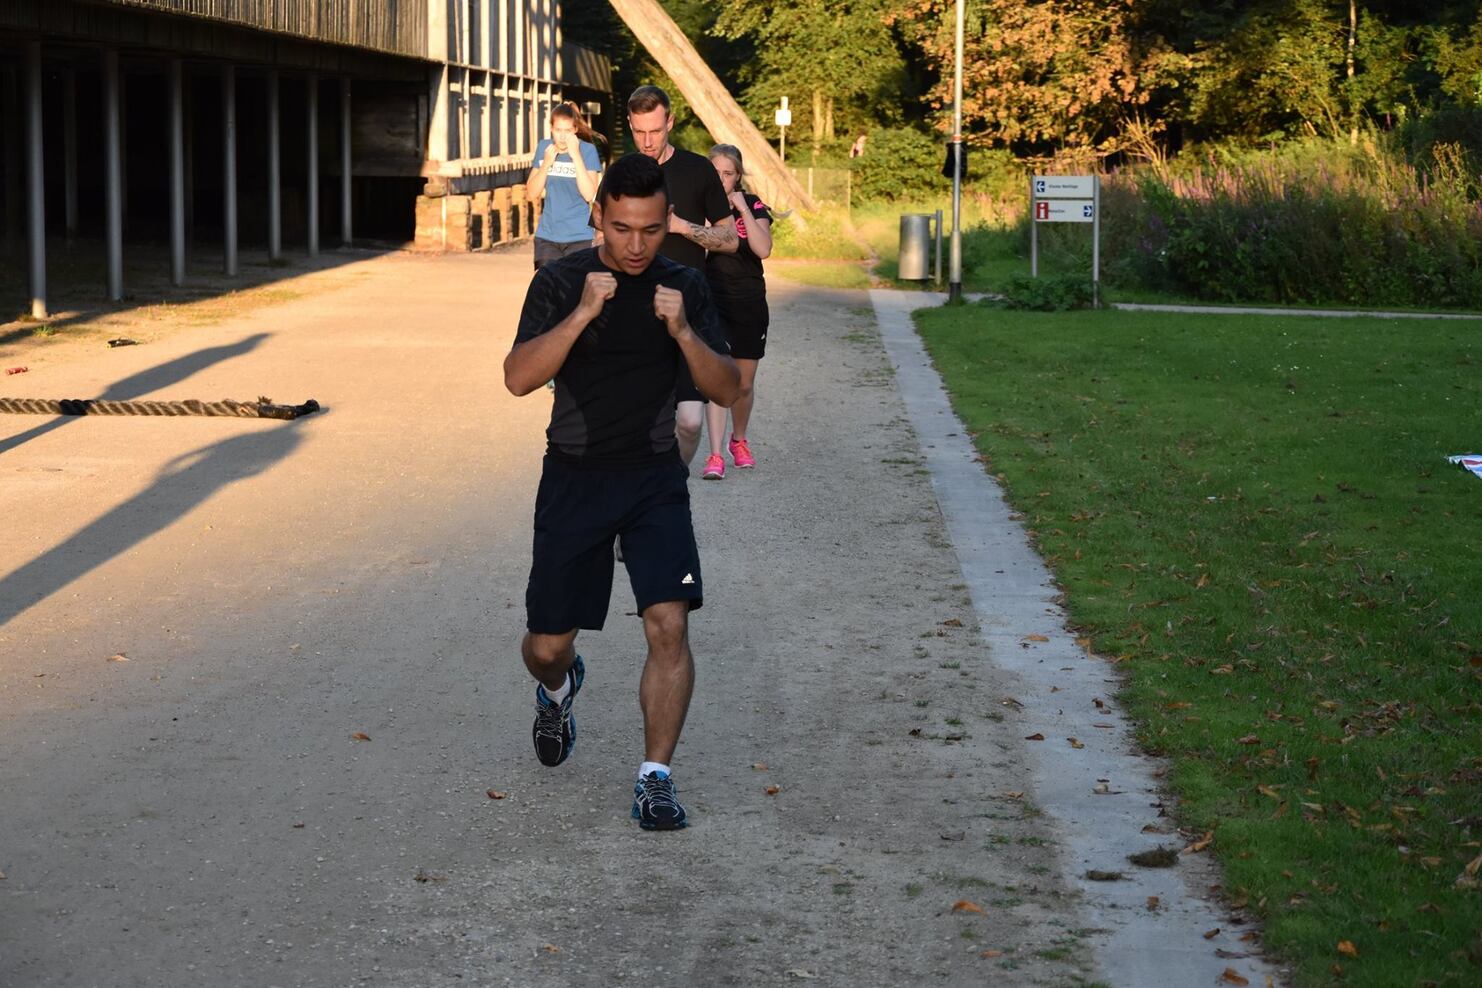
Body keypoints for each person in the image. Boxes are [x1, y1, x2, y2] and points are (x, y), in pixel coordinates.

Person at [504, 152, 740, 831]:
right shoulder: (560, 280)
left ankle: (655, 778)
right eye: (622, 229)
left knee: (669, 624)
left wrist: (684, 332)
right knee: (548, 644)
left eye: (650, 230)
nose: (636, 246)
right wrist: (580, 315)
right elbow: (519, 379)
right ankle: (557, 688)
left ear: (667, 221)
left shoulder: (682, 288)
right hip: (575, 475)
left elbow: (726, 388)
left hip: (653, 476)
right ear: (599, 218)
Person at [625, 85, 738, 468]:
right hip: (635, 317)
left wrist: (682, 226)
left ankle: (672, 481)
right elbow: (599, 239)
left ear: (670, 122)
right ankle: (653, 496)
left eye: (655, 131)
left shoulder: (696, 170)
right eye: (639, 131)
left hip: (688, 314)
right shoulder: (621, 173)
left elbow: (731, 239)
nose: (647, 141)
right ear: (630, 125)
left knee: (689, 423)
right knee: (637, 422)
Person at [700, 144, 773, 481]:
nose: (721, 178)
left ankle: (738, 440)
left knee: (744, 383)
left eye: (727, 173)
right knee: (718, 380)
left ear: (738, 176)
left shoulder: (754, 204)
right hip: (713, 300)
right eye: (714, 172)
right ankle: (714, 455)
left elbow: (763, 249)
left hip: (749, 302)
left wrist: (743, 208)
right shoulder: (701, 205)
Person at [526, 102, 604, 270]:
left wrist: (575, 156)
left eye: (567, 131)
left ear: (575, 130)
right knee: (545, 290)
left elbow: (589, 194)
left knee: (573, 291)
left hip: (579, 237)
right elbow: (531, 194)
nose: (562, 137)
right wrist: (546, 163)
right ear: (551, 129)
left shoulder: (587, 151)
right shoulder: (544, 148)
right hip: (547, 237)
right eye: (558, 130)